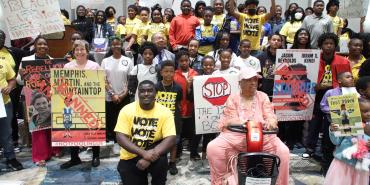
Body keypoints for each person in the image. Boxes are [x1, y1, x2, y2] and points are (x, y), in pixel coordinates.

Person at [207, 67, 289, 185]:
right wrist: (246, 123)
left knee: (284, 151)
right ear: (240, 83)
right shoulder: (233, 98)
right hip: (236, 137)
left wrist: (271, 121)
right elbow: (230, 119)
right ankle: (222, 181)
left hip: (263, 137)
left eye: (255, 79)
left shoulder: (263, 96)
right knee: (213, 147)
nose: (253, 82)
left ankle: (279, 182)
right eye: (249, 80)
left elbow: (270, 115)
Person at [115, 80, 176, 185]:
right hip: (131, 153)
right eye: (142, 91)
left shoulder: (165, 112)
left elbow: (171, 138)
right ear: (138, 94)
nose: (146, 94)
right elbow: (120, 137)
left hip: (154, 151)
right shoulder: (126, 110)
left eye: (150, 91)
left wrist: (149, 157)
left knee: (161, 162)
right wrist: (143, 153)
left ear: (155, 93)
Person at [304, 33, 351, 167]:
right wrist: (316, 86)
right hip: (317, 95)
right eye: (326, 43)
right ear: (320, 45)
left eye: (331, 43)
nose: (329, 46)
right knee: (314, 123)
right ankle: (310, 148)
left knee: (331, 125)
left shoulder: (344, 61)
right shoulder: (313, 59)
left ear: (335, 45)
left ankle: (329, 150)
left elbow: (347, 81)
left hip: (336, 96)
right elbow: (305, 78)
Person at [60, 40, 101, 169]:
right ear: (73, 52)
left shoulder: (94, 66)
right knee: (73, 130)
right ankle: (74, 158)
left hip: (92, 103)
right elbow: (63, 85)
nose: (79, 52)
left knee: (94, 129)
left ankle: (95, 156)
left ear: (87, 51)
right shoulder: (68, 67)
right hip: (73, 103)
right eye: (77, 50)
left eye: (82, 49)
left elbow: (101, 83)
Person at [323, 98, 370, 185]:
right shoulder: (346, 123)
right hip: (342, 164)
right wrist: (333, 131)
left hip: (361, 168)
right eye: (365, 111)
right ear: (355, 112)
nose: (369, 114)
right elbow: (336, 142)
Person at [319, 71, 357, 173]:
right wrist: (335, 111)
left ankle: (344, 170)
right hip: (332, 123)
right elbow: (323, 106)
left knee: (344, 144)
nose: (351, 78)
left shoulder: (355, 93)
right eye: (348, 77)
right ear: (339, 80)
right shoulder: (330, 92)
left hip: (350, 123)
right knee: (328, 146)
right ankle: (327, 169)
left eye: (352, 77)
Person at [0, 30, 30, 153]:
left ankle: (13, 143)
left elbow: (29, 54)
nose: (0, 39)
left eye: (2, 37)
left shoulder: (10, 52)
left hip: (10, 91)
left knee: (10, 118)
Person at [101, 37, 134, 142]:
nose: (116, 46)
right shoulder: (105, 61)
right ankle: (112, 137)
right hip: (110, 96)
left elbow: (131, 80)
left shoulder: (128, 61)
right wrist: (112, 94)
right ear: (111, 46)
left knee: (123, 119)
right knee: (111, 118)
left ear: (121, 45)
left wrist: (123, 94)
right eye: (113, 44)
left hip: (124, 96)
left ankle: (122, 139)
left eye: (118, 44)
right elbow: (103, 79)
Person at [155, 61, 183, 175]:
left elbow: (179, 103)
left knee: (174, 142)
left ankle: (172, 162)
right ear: (161, 72)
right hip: (159, 119)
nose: (169, 74)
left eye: (171, 71)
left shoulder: (178, 88)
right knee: (160, 141)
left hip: (174, 119)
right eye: (166, 71)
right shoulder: (156, 87)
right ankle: (161, 161)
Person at [0, 34, 23, 170]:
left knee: (6, 131)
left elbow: (12, 79)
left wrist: (9, 87)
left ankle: (10, 157)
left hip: (4, 102)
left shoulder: (3, 62)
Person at [173, 50, 198, 160]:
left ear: (189, 61)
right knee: (178, 133)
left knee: (193, 133)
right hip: (179, 109)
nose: (184, 63)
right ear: (178, 61)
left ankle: (193, 153)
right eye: (181, 61)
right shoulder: (174, 75)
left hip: (192, 109)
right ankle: (177, 153)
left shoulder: (195, 74)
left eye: (186, 60)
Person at [257, 33, 284, 99]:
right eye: (274, 40)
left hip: (281, 91)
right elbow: (258, 74)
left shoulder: (286, 57)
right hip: (265, 92)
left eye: (278, 40)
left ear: (281, 43)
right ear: (269, 41)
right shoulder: (261, 57)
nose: (276, 42)